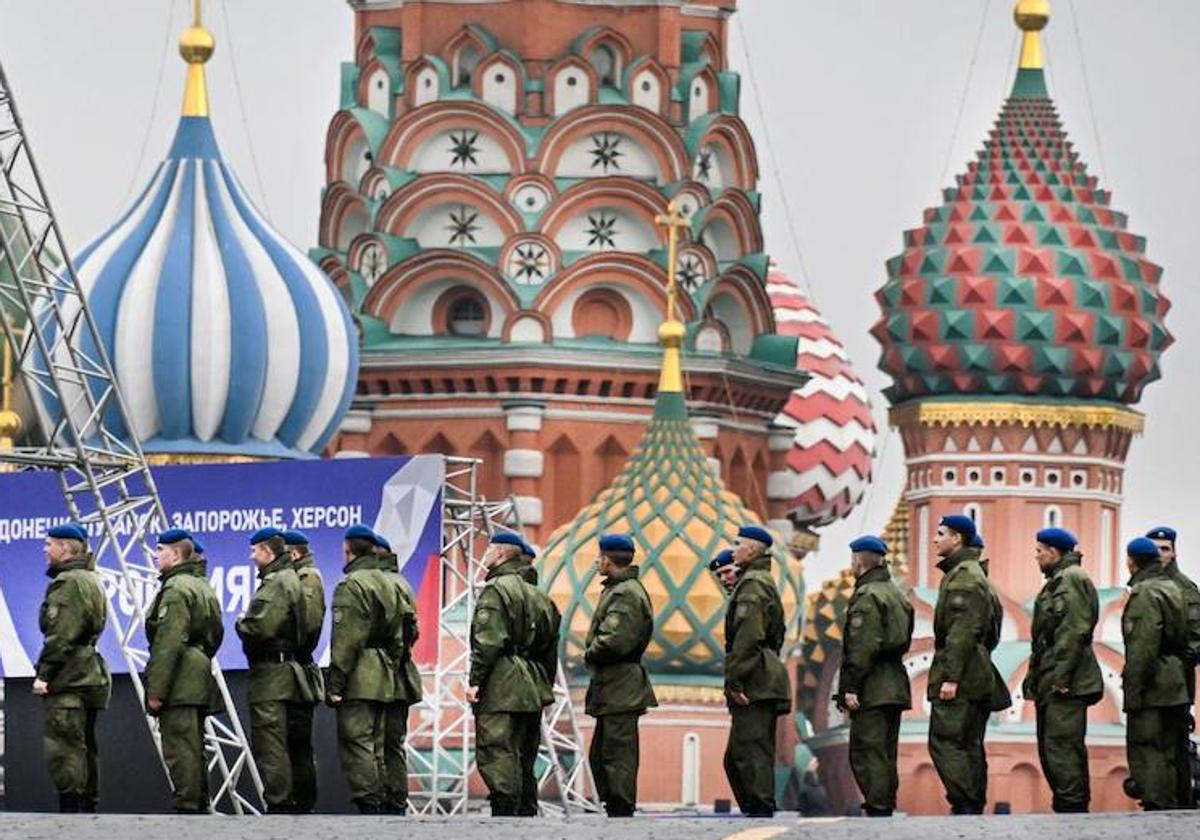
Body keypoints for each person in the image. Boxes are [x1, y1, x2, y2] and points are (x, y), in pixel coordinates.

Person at [467, 531, 552, 816]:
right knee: (524, 754)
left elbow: (488, 642)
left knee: (497, 748)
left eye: (490, 548)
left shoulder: (496, 590)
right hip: (533, 682)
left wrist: (475, 681)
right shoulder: (540, 596)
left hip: (502, 681)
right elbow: (550, 649)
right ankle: (526, 811)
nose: (485, 554)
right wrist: (544, 688)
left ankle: (504, 813)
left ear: (502, 553)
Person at [324, 524, 405, 813]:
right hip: (385, 673)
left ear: (348, 549)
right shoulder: (390, 581)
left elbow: (346, 641)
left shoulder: (352, 585)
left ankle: (370, 805)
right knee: (379, 746)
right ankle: (384, 803)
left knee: (357, 742)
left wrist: (335, 685)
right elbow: (400, 637)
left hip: (360, 674)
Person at [144, 528, 225, 814]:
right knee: (194, 748)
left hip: (179, 678)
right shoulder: (202, 585)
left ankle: (188, 809)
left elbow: (167, 643)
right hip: (198, 672)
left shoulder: (176, 588)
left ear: (176, 554)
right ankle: (198, 806)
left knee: (181, 750)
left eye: (160, 551)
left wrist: (155, 691)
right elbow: (216, 633)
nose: (156, 556)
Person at [235, 526, 315, 813]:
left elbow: (261, 627)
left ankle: (280, 807)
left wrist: (241, 622)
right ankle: (298, 805)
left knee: (271, 745)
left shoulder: (277, 582)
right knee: (291, 746)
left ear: (268, 551)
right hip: (286, 674)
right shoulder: (290, 578)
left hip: (272, 676)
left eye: (254, 550)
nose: (251, 556)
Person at [1023, 528, 1102, 813]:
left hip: (1067, 683)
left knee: (1062, 747)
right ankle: (1067, 805)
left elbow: (1072, 633)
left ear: (1054, 552)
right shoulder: (1060, 580)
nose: (1036, 555)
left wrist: (1060, 678)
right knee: (1053, 747)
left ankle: (1072, 810)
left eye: (1039, 550)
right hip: (1056, 678)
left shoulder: (1070, 581)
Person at [34, 522, 111, 813]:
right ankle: (86, 812)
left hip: (70, 677)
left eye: (49, 544)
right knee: (85, 747)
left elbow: (61, 634)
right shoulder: (90, 578)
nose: (45, 549)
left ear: (65, 548)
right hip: (88, 674)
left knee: (64, 748)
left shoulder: (67, 582)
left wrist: (45, 674)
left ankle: (72, 816)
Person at [836, 536, 913, 817]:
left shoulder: (868, 596)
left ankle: (878, 806)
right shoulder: (897, 594)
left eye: (852, 560)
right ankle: (884, 803)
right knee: (885, 751)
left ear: (859, 560)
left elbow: (862, 646)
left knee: (867, 749)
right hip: (895, 682)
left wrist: (851, 688)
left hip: (873, 684)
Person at [927, 514, 997, 815]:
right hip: (975, 669)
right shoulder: (970, 574)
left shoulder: (964, 578)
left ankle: (965, 803)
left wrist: (951, 677)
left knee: (947, 740)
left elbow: (961, 630)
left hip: (961, 674)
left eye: (941, 533)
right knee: (968, 742)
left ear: (958, 539)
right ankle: (971, 803)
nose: (935, 539)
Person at [583, 533, 657, 818]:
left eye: (600, 557)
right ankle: (615, 803)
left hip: (620, 683)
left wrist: (590, 653)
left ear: (608, 560)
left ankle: (621, 807)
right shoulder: (619, 589)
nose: (596, 561)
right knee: (605, 751)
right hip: (614, 684)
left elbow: (616, 640)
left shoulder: (625, 592)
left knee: (617, 751)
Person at [722, 524, 790, 818]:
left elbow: (748, 637)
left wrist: (735, 680)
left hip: (755, 679)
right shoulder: (760, 581)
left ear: (751, 549)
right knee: (744, 752)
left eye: (738, 543)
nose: (733, 549)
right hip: (763, 673)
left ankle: (759, 808)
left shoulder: (752, 585)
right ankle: (757, 805)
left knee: (749, 751)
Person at [1122, 537, 1191, 811]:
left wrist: (1134, 690)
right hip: (1174, 679)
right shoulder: (1173, 588)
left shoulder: (1145, 594)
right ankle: (1171, 802)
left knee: (1148, 745)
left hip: (1153, 683)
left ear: (1132, 561)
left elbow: (1142, 646)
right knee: (1170, 749)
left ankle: (1157, 805)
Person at [1146, 526, 1200, 807]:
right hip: (1152, 681)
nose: (1159, 554)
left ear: (1174, 552)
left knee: (1174, 743)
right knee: (1152, 744)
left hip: (1175, 681)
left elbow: (1195, 640)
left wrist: (1173, 668)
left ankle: (1180, 803)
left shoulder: (1184, 588)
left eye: (1165, 548)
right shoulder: (1145, 586)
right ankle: (1159, 799)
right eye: (1153, 549)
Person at [373, 531, 423, 815]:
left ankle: (382, 801)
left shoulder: (379, 584)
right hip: (402, 674)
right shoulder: (402, 583)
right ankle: (397, 800)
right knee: (394, 743)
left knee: (377, 742)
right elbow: (411, 632)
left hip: (381, 675)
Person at [283, 529, 324, 814]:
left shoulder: (307, 578)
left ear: (294, 553)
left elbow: (307, 628)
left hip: (299, 671)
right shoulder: (296, 578)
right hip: (290, 672)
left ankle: (303, 805)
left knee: (298, 745)